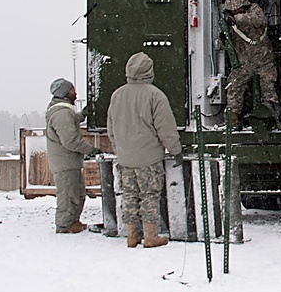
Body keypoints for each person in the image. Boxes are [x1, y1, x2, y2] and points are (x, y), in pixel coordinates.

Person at [107, 52, 183, 248]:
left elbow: (111, 128)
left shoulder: (117, 94)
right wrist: (175, 150)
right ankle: (150, 235)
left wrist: (119, 149)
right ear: (149, 70)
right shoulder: (154, 94)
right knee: (150, 195)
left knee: (129, 195)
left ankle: (131, 235)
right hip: (148, 157)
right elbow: (165, 127)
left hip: (125, 157)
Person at [222, 0, 281, 127]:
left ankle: (272, 119)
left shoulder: (254, 9)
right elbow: (226, 44)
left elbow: (259, 21)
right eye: (234, 11)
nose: (237, 11)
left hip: (264, 60)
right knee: (234, 87)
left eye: (238, 9)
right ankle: (232, 121)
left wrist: (237, 19)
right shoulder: (229, 22)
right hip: (245, 63)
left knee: (269, 90)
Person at [45, 78, 99, 234]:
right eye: (72, 90)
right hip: (65, 163)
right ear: (65, 93)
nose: (75, 92)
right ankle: (64, 225)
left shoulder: (62, 111)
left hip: (68, 162)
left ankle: (73, 221)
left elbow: (71, 122)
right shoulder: (62, 114)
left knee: (76, 193)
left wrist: (82, 115)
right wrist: (91, 150)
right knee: (68, 195)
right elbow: (70, 141)